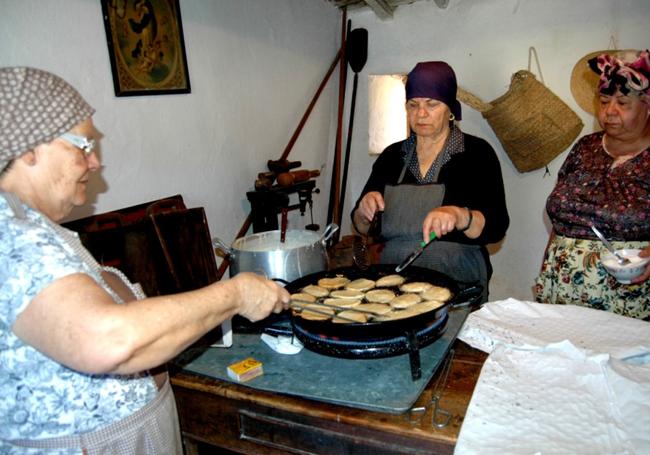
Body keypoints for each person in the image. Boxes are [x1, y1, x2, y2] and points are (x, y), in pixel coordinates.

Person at [0, 67, 290, 453]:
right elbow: (109, 339)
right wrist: (234, 295)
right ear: (29, 148)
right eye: (82, 146)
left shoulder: (37, 228)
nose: (94, 163)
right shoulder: (11, 234)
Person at [352, 61, 509, 302]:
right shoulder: (392, 157)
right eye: (413, 105)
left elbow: (497, 226)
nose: (421, 113)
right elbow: (361, 225)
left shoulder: (477, 153)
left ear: (451, 109)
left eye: (432, 104)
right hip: (394, 285)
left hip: (458, 282)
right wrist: (363, 212)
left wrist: (460, 216)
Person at [535, 49, 650, 320]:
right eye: (604, 99)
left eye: (623, 103)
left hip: (629, 299)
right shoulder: (585, 147)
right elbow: (559, 222)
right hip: (561, 293)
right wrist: (544, 274)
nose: (610, 111)